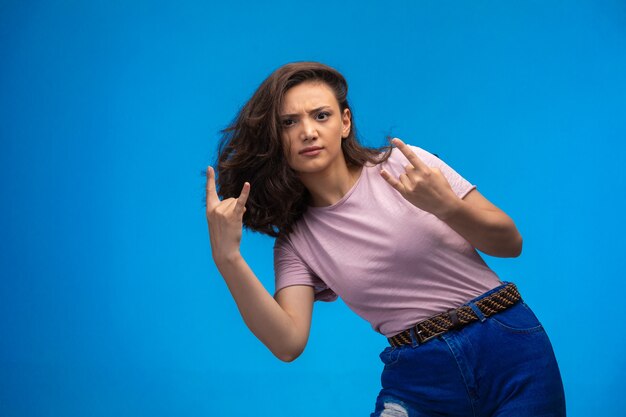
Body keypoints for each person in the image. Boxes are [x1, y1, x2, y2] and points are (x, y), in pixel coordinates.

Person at [204, 61, 566, 417]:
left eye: (321, 116)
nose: (308, 132)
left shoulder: (404, 165)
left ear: (344, 122)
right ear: (275, 136)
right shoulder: (296, 243)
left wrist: (447, 207)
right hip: (422, 375)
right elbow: (288, 343)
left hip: (509, 348)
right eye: (289, 122)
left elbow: (510, 243)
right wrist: (228, 259)